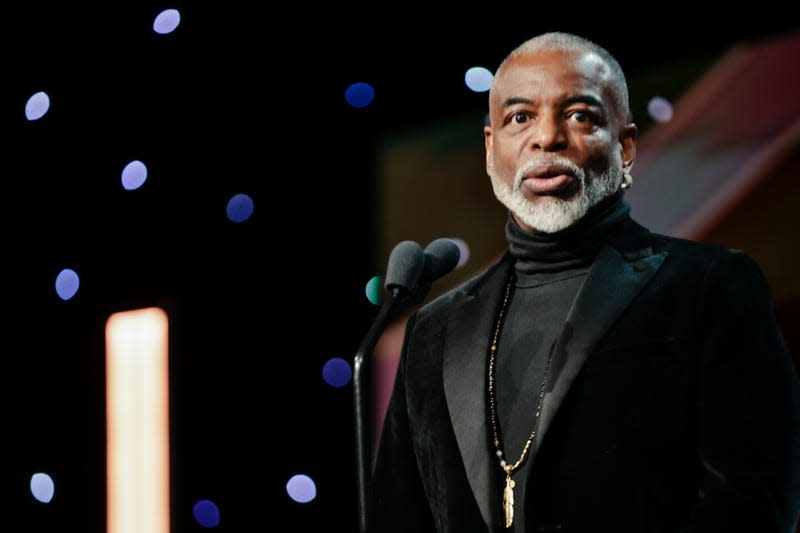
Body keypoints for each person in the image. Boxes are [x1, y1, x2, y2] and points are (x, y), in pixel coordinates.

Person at [366, 31, 800, 532]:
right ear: (491, 149)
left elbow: (754, 501)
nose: (546, 137)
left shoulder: (708, 287)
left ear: (626, 146)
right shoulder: (432, 332)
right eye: (519, 117)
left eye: (579, 115)